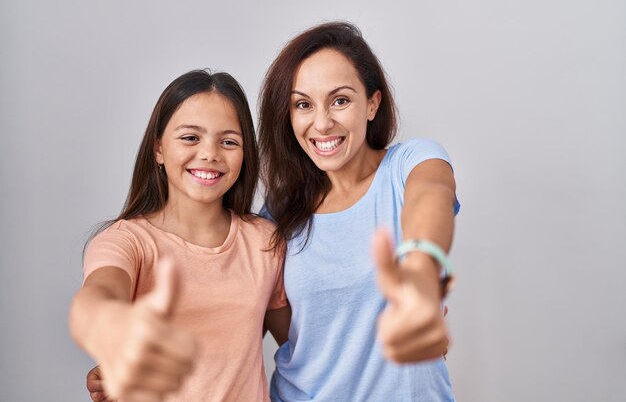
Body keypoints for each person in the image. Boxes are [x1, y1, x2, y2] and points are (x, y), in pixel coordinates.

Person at [258, 21, 459, 401]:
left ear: (372, 103)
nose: (321, 123)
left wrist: (420, 269)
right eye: (303, 104)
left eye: (340, 100)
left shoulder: (410, 164)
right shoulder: (276, 216)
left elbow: (431, 196)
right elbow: (244, 326)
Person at [69, 70, 290, 402]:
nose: (210, 154)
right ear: (158, 148)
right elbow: (96, 298)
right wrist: (113, 326)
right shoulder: (126, 241)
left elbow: (301, 347)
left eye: (229, 141)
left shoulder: (265, 242)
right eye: (190, 138)